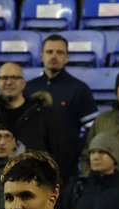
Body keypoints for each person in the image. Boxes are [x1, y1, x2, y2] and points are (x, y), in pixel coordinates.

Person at [24, 34, 98, 178]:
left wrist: (74, 151)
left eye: (59, 52)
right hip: (31, 164)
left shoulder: (79, 89)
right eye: (49, 52)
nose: (54, 56)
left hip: (66, 168)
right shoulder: (28, 88)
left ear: (67, 57)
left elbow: (92, 129)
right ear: (41, 56)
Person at [0, 63, 65, 164]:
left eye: (15, 78)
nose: (9, 82)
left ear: (24, 83)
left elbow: (57, 151)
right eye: (4, 78)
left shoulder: (42, 113)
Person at [58, 133, 119, 209]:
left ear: (114, 157)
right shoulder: (77, 187)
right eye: (92, 152)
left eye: (102, 152)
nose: (95, 157)